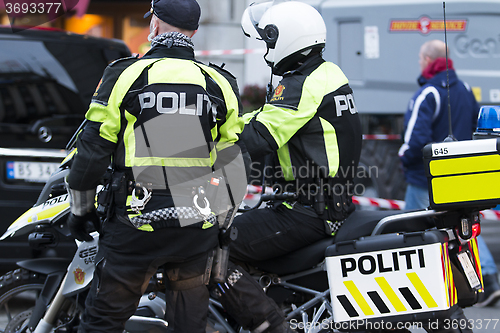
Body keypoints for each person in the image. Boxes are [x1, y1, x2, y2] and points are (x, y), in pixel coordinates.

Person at [65, 0, 247, 332]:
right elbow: (234, 163)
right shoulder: (219, 83)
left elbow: (93, 150)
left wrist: (81, 211)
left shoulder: (125, 74)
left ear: (156, 26)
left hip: (135, 229)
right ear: (193, 32)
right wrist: (220, 225)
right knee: (189, 325)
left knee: (102, 322)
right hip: (194, 230)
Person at [214, 1, 362, 332]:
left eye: (268, 40)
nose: (266, 48)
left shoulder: (301, 83)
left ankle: (271, 324)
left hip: (306, 211)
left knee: (210, 247)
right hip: (327, 203)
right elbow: (267, 119)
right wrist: (227, 123)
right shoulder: (327, 73)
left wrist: (204, 146)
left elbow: (258, 137)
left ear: (285, 38)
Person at [398, 39, 500, 307]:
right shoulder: (465, 90)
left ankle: (411, 290)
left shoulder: (428, 94)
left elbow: (414, 140)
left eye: (421, 59)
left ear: (429, 60)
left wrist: (404, 160)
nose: (419, 63)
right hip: (461, 177)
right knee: (466, 229)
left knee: (408, 232)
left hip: (427, 179)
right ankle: (487, 279)